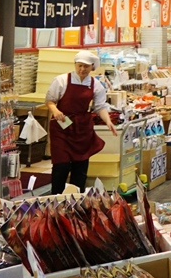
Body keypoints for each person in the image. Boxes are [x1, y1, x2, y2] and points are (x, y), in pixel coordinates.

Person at [45, 50, 117, 194]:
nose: (82, 69)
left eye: (86, 67)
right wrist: (55, 111)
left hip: (82, 128)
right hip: (62, 127)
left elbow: (100, 106)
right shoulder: (61, 80)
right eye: (79, 66)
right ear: (75, 65)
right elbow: (50, 101)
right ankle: (55, 199)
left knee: (81, 165)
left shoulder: (96, 85)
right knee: (61, 165)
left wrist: (108, 121)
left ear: (92, 67)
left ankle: (77, 201)